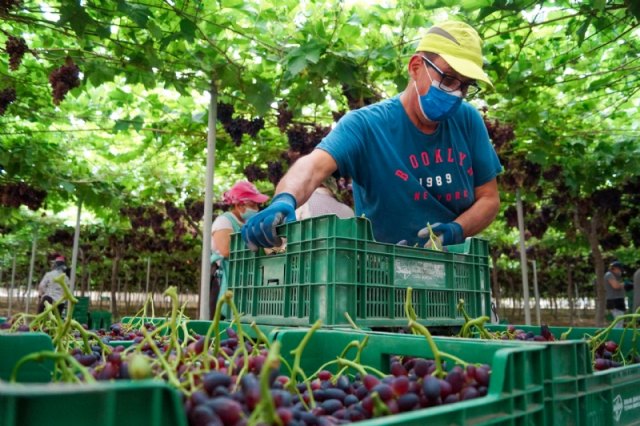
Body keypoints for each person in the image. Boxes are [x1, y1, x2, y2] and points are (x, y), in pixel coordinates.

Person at [242, 20, 501, 251]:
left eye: (465, 85)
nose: (456, 92)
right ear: (416, 66)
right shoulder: (366, 125)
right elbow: (313, 166)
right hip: (382, 274)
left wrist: (457, 230)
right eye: (448, 79)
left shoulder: (468, 120)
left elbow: (489, 198)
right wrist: (284, 199)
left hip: (453, 268)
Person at [210, 181, 269, 318]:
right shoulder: (224, 221)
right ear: (239, 205)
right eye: (253, 205)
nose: (256, 209)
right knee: (223, 321)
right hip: (224, 280)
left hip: (243, 281)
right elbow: (226, 250)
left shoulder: (248, 223)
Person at [604, 261, 626, 328]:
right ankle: (616, 336)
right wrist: (624, 285)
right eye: (619, 270)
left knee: (620, 321)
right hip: (614, 301)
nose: (620, 272)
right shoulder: (609, 274)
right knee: (618, 321)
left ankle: (617, 336)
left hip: (617, 300)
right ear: (615, 268)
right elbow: (616, 286)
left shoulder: (614, 276)